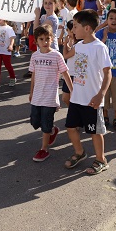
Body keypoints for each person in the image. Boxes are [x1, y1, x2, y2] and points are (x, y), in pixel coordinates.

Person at [63, 10, 112, 174]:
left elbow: (107, 73)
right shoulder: (78, 45)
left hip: (92, 99)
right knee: (71, 127)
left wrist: (101, 94)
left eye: (76, 26)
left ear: (88, 28)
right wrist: (66, 44)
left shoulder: (100, 47)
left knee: (95, 131)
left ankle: (101, 159)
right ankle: (80, 153)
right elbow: (67, 56)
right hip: (77, 97)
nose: (73, 29)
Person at [29, 25, 73, 162]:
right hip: (37, 95)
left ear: (52, 39)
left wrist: (73, 91)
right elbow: (34, 75)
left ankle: (44, 149)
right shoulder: (35, 56)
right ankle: (53, 130)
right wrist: (31, 92)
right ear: (36, 41)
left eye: (47, 38)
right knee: (35, 122)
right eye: (41, 39)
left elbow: (65, 73)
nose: (45, 42)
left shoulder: (56, 55)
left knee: (45, 123)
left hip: (50, 96)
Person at [95, 8, 116, 132]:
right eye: (111, 18)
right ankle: (105, 116)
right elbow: (97, 48)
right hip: (103, 71)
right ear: (107, 20)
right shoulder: (101, 32)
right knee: (105, 95)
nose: (113, 21)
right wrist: (104, 38)